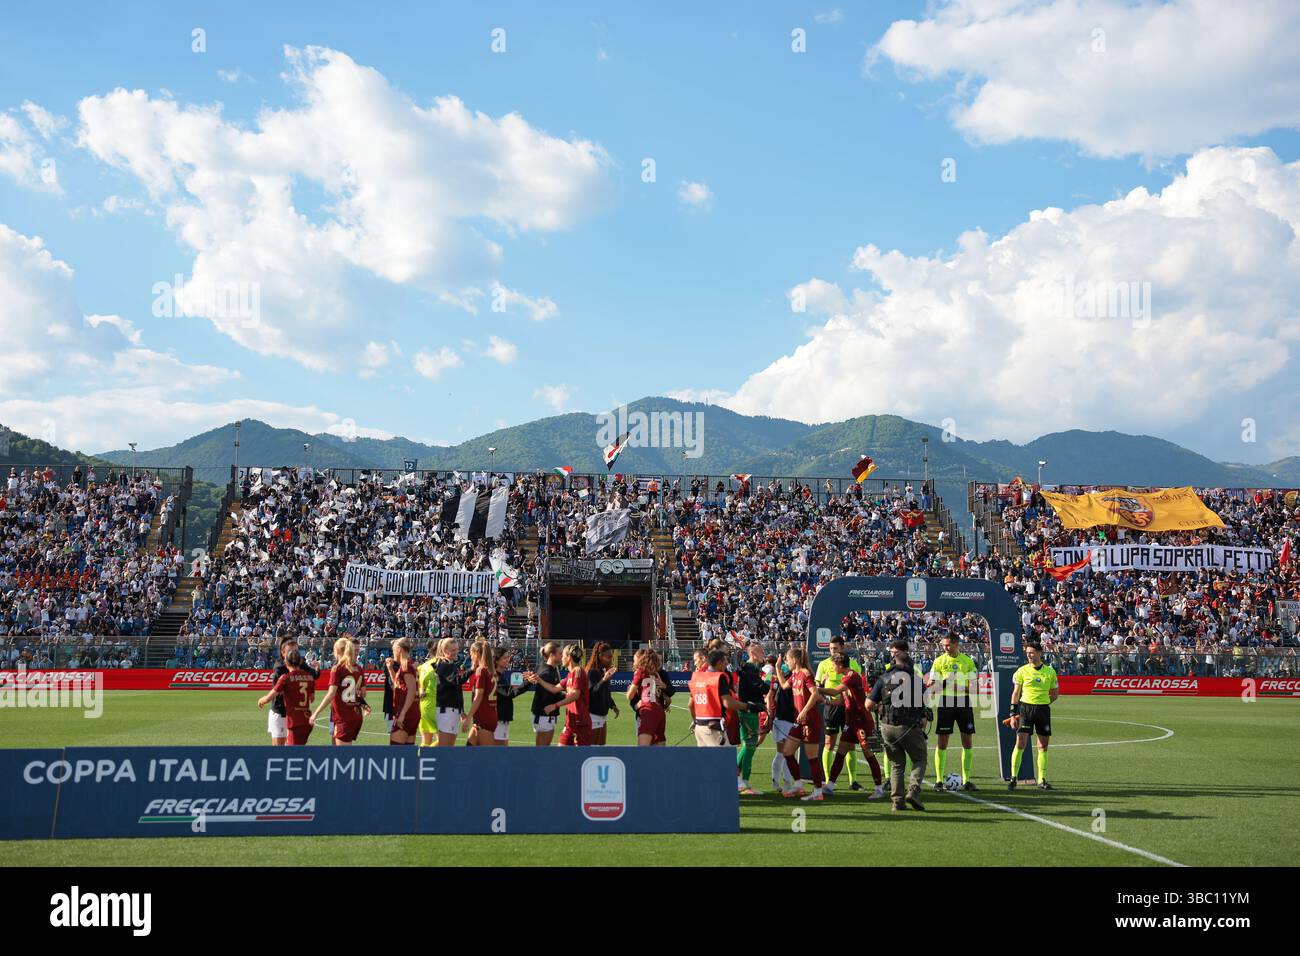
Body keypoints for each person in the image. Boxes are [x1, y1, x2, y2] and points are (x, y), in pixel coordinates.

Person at [866, 638, 930, 811]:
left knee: (896, 764)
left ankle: (897, 802)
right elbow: (925, 704)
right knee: (919, 759)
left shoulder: (883, 678)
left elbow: (868, 705)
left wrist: (881, 707)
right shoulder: (916, 679)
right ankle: (914, 792)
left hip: (887, 726)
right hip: (908, 726)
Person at [818, 652, 886, 799]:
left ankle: (879, 789)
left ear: (840, 665)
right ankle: (830, 786)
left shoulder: (851, 676)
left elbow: (835, 691)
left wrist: (817, 689)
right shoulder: (846, 678)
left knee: (869, 755)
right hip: (851, 722)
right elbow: (842, 701)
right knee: (840, 753)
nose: (831, 668)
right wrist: (825, 702)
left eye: (833, 665)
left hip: (862, 722)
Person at [926, 631, 980, 791]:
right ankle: (938, 780)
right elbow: (933, 685)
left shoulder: (967, 661)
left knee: (967, 741)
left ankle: (967, 780)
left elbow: (975, 688)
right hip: (946, 703)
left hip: (964, 702)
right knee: (942, 742)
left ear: (957, 644)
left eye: (948, 645)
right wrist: (933, 683)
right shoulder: (939, 661)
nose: (945, 648)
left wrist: (959, 687)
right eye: (944, 645)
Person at [774, 646, 827, 801]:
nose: (786, 662)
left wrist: (803, 711)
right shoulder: (795, 674)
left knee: (812, 759)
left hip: (810, 721)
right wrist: (777, 668)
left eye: (788, 659)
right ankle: (798, 785)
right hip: (799, 722)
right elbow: (784, 686)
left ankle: (818, 791)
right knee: (787, 752)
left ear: (795, 660)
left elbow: (815, 694)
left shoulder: (805, 674)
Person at [1008, 641, 1059, 790]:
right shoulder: (1022, 671)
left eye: (1031, 652)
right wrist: (1012, 714)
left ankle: (1041, 780)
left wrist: (1042, 702)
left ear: (1039, 653)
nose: (1029, 655)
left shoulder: (1050, 672)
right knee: (1021, 742)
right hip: (1025, 709)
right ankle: (1013, 778)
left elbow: (1055, 695)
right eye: (1027, 652)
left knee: (1043, 746)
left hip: (1043, 710)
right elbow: (1015, 694)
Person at [815, 636, 864, 790]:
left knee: (850, 745)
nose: (832, 651)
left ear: (842, 648)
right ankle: (829, 780)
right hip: (831, 707)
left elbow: (859, 685)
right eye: (830, 648)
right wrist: (822, 682)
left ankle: (853, 780)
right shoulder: (823, 664)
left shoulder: (853, 665)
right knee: (829, 743)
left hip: (849, 707)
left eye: (835, 648)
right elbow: (816, 686)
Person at [309, 636, 370, 745]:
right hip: (355, 714)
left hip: (343, 715)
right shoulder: (358, 669)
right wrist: (364, 705)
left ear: (337, 651)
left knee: (343, 757)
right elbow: (363, 693)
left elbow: (331, 693)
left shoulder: (338, 668)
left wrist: (316, 713)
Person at [266, 637, 319, 746]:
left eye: (296, 651)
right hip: (281, 712)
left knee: (293, 749)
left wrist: (317, 669)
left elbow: (313, 675)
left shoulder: (299, 663)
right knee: (279, 751)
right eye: (291, 651)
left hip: (295, 716)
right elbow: (277, 692)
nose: (295, 654)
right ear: (283, 653)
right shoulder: (279, 668)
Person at [734, 641, 771, 794]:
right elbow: (763, 688)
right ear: (753, 654)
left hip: (750, 711)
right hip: (748, 711)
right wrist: (769, 675)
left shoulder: (751, 669)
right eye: (761, 651)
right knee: (749, 745)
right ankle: (742, 782)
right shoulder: (749, 669)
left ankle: (741, 781)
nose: (764, 653)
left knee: (748, 745)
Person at [688, 648, 743, 747]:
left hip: (700, 727)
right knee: (724, 760)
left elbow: (690, 705)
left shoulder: (696, 676)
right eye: (725, 661)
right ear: (719, 662)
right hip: (714, 727)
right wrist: (748, 706)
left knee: (705, 761)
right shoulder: (719, 677)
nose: (726, 664)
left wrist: (695, 721)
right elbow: (728, 703)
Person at [525, 642, 565, 745]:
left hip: (543, 715)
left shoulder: (546, 667)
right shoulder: (547, 673)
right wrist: (570, 696)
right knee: (542, 750)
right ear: (551, 655)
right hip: (544, 715)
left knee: (542, 749)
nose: (563, 656)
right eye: (560, 653)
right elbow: (551, 696)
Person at [553, 644, 592, 746]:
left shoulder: (578, 672)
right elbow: (554, 689)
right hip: (570, 722)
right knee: (561, 751)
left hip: (581, 722)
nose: (561, 658)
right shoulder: (570, 674)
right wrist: (537, 679)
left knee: (580, 758)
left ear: (569, 657)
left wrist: (555, 705)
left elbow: (575, 695)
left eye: (563, 655)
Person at [627, 647, 668, 746]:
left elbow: (630, 696)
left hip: (648, 710)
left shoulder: (640, 671)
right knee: (659, 751)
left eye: (634, 661)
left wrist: (629, 690)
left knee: (643, 751)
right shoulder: (655, 673)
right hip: (660, 711)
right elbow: (666, 697)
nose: (634, 663)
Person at [432, 637, 468, 747]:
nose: (456, 652)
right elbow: (457, 681)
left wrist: (461, 710)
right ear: (444, 651)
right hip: (445, 710)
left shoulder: (450, 665)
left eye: (457, 649)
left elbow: (457, 689)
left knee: (447, 747)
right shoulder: (443, 665)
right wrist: (473, 669)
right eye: (453, 650)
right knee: (444, 747)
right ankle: (422, 759)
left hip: (452, 710)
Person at [465, 639, 499, 746]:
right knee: (469, 751)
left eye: (471, 654)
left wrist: (468, 718)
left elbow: (478, 697)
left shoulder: (481, 671)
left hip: (484, 718)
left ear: (477, 654)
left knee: (485, 758)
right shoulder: (490, 670)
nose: (471, 657)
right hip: (484, 717)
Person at [386, 638, 420, 745]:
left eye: (393, 650)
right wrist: (391, 669)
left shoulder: (406, 665)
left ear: (399, 649)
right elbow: (398, 685)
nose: (393, 653)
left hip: (406, 713)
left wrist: (402, 713)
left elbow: (412, 690)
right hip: (412, 712)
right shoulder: (407, 664)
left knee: (396, 753)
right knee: (407, 753)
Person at [585, 642, 619, 745]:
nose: (611, 659)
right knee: (593, 748)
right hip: (593, 715)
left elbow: (605, 691)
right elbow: (591, 693)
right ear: (600, 656)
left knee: (601, 747)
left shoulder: (603, 670)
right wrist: (603, 680)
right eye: (608, 657)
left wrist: (612, 705)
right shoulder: (592, 671)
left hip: (602, 714)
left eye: (611, 657)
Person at [417, 640, 439, 747]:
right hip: (434, 704)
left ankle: (420, 762)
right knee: (444, 740)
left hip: (424, 704)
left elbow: (413, 677)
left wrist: (420, 690)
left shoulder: (423, 666)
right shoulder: (438, 664)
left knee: (425, 741)